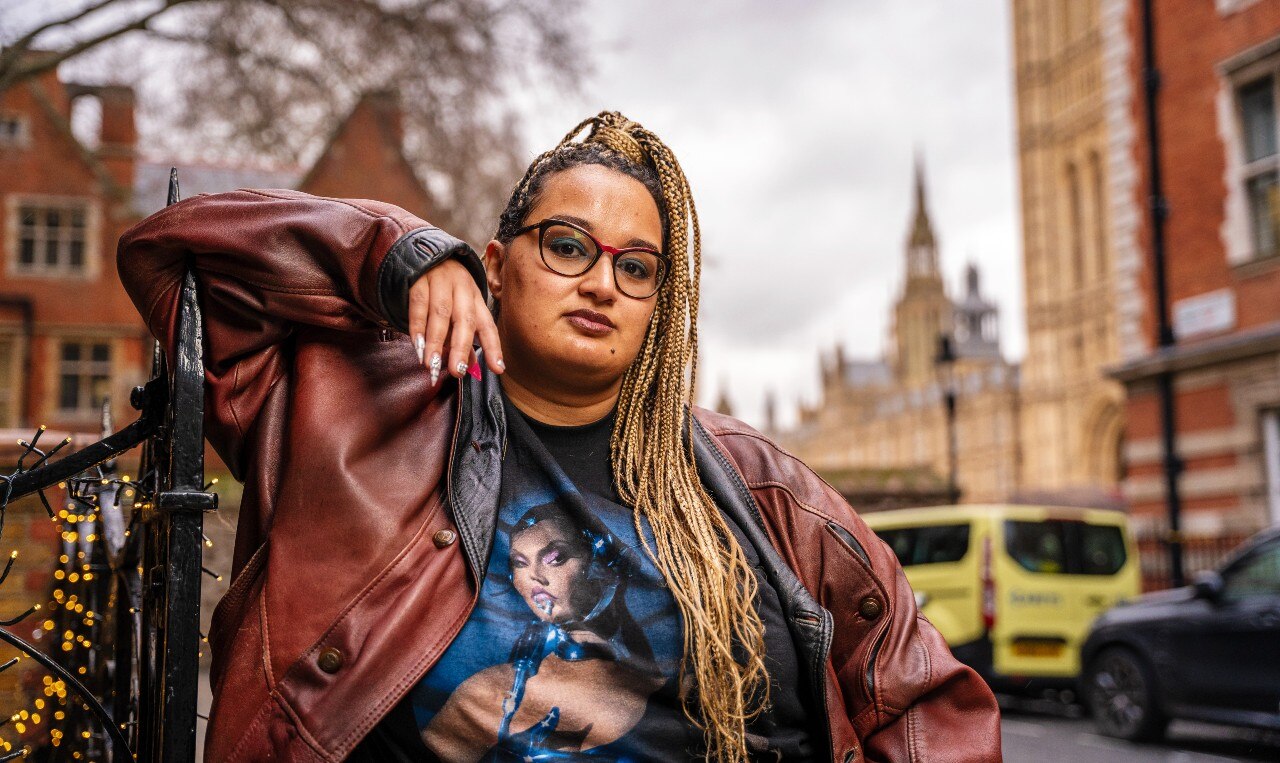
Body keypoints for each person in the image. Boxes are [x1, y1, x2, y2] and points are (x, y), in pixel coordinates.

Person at [117, 112, 1001, 762]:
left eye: (636, 266)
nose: (603, 283)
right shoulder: (349, 416)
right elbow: (178, 257)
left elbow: (925, 701)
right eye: (569, 246)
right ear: (495, 265)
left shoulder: (755, 483)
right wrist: (398, 252)